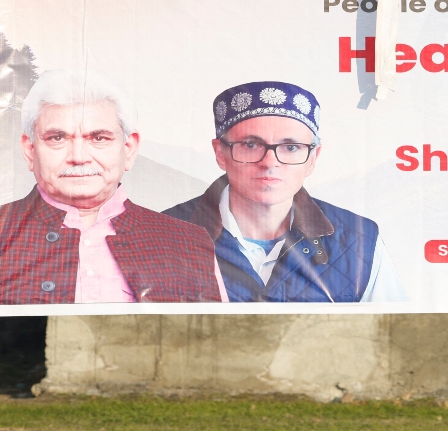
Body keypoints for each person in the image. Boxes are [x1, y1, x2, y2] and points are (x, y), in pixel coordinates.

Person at [165, 80, 404, 302]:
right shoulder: (162, 235)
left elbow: (391, 339)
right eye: (251, 145)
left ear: (312, 158)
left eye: (291, 147)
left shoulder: (359, 241)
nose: (270, 162)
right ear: (220, 153)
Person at [0, 69, 225, 304]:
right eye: (58, 138)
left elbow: (217, 338)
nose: (79, 157)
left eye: (99, 138)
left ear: (128, 149)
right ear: (30, 150)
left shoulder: (189, 243)